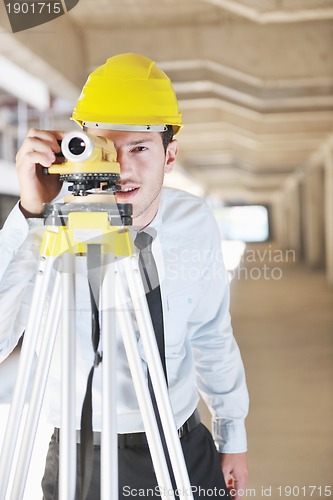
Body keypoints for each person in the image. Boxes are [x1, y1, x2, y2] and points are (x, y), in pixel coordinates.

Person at [0, 53, 249, 499]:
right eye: (107, 147)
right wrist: (30, 215)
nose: (123, 168)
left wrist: (233, 436)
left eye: (140, 148)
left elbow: (212, 334)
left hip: (180, 443)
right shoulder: (47, 229)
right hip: (81, 453)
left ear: (170, 154)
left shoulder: (193, 221)